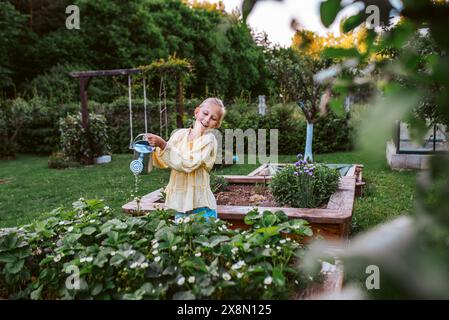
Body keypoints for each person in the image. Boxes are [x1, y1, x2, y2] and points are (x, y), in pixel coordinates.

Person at [146, 97, 226, 221]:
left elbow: (188, 163)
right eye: (205, 113)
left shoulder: (208, 140)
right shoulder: (180, 135)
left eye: (213, 118)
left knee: (201, 239)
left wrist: (163, 145)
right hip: (181, 205)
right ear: (196, 112)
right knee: (184, 240)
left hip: (201, 206)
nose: (207, 119)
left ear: (216, 124)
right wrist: (152, 149)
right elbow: (165, 161)